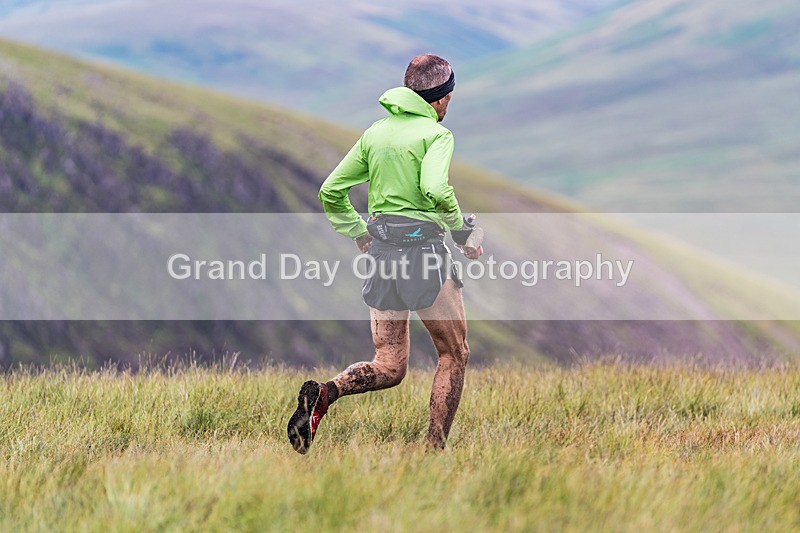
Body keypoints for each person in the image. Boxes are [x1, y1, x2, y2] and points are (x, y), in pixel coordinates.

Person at [287, 54, 483, 454]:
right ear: (442, 97)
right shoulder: (436, 136)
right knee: (454, 353)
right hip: (423, 254)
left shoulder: (375, 133)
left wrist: (358, 233)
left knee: (389, 364)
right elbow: (435, 189)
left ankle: (326, 393)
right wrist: (463, 232)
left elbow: (330, 190)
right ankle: (434, 450)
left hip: (382, 254)